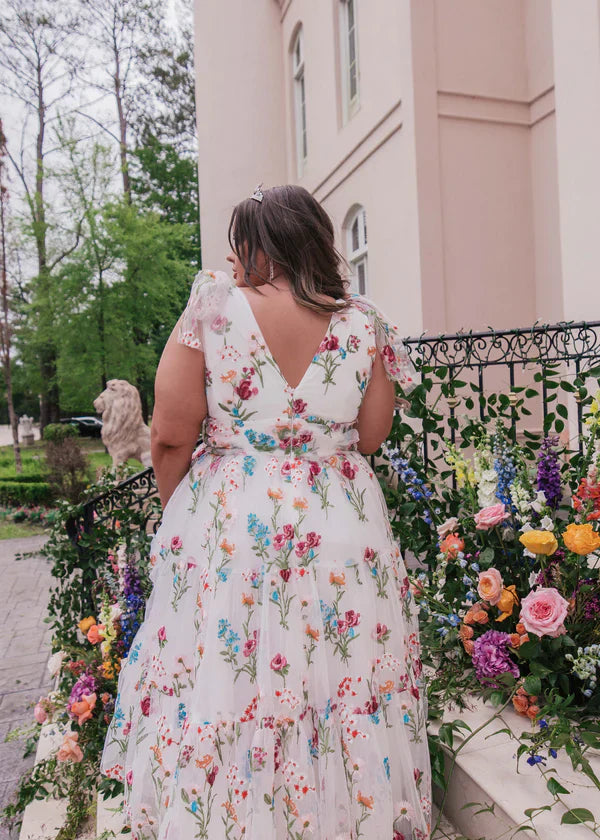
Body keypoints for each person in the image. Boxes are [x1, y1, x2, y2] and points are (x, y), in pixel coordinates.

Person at [100, 184, 432, 839]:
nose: (230, 257)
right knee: (337, 681)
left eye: (239, 242)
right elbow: (371, 436)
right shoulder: (366, 322)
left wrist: (183, 514)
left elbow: (168, 434)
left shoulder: (213, 307)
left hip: (232, 523)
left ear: (261, 245)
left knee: (229, 680)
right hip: (341, 526)